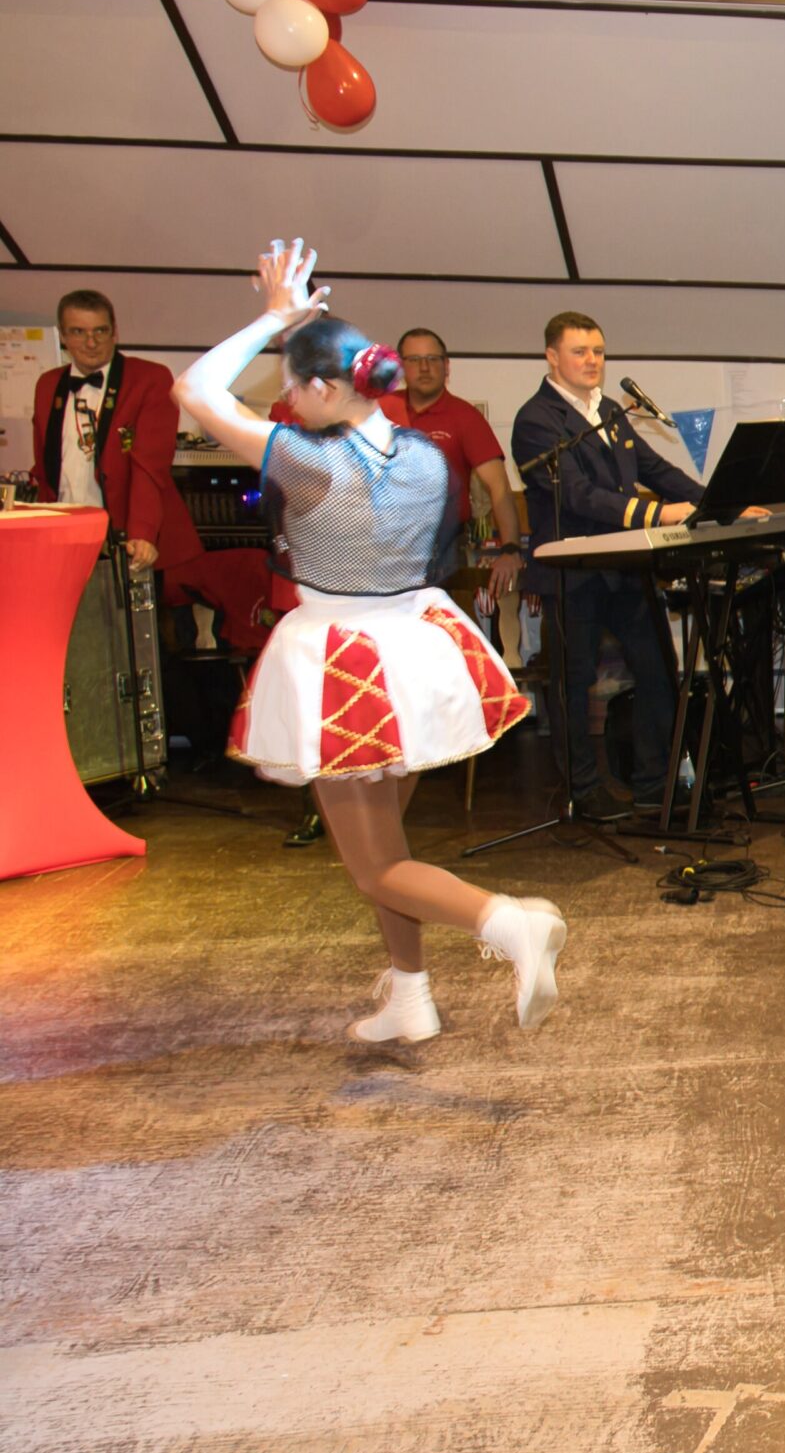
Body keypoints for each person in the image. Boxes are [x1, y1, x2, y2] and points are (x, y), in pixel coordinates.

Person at [176, 240, 561, 1045]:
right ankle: (410, 996)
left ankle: (507, 922)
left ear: (325, 388)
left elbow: (194, 388)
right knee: (389, 845)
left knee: (375, 864)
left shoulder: (307, 462)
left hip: (344, 664)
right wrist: (305, 329)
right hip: (416, 650)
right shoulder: (421, 452)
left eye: (293, 388)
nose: (286, 403)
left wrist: (273, 319)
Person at [512, 311, 718, 821]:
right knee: (573, 684)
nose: (592, 361)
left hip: (626, 568)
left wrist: (717, 503)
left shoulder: (609, 410)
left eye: (599, 351)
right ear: (552, 357)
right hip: (573, 572)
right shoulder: (536, 420)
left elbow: (656, 470)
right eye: (580, 351)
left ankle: (653, 783)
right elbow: (579, 496)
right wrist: (656, 514)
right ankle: (582, 791)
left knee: (658, 670)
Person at [32, 288, 273, 653]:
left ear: (115, 332)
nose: (91, 342)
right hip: (68, 539)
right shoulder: (48, 384)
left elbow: (150, 466)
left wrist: (142, 533)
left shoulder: (149, 378)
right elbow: (44, 464)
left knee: (143, 649)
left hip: (130, 539)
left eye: (100, 331)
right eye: (78, 332)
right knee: (75, 643)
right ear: (63, 336)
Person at [387, 329, 523, 595]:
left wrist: (510, 549)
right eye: (414, 360)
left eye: (433, 359)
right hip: (384, 545)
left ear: (447, 366)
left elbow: (499, 487)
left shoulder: (465, 416)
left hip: (443, 547)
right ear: (401, 367)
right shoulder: (380, 410)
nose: (424, 368)